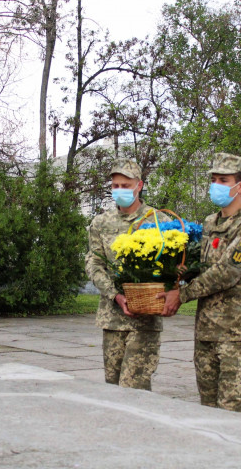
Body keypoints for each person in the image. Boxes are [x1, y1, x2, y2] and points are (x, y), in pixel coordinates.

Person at [159, 153, 241, 413]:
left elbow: (228, 271)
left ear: (240, 186)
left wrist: (183, 295)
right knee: (207, 411)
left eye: (223, 180)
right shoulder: (211, 222)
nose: (216, 185)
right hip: (207, 330)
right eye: (214, 180)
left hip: (237, 332)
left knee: (232, 413)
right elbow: (203, 265)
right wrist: (172, 275)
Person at [84, 159, 170, 390]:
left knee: (134, 387)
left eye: (125, 185)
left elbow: (172, 264)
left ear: (139, 185)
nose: (119, 190)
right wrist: (115, 294)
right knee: (112, 387)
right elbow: (94, 262)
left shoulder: (159, 220)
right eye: (115, 186)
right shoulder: (101, 223)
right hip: (112, 319)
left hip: (145, 318)